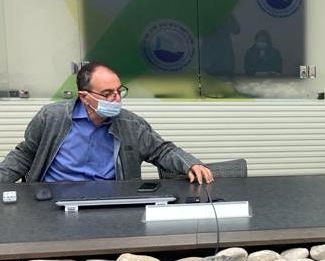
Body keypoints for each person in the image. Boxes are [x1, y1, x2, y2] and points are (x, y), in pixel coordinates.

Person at [0, 62, 214, 184]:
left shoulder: (131, 124)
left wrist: (190, 164)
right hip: (52, 200)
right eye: (107, 93)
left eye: (119, 91)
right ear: (84, 97)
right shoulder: (51, 117)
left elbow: (162, 150)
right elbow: (25, 154)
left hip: (108, 198)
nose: (116, 98)